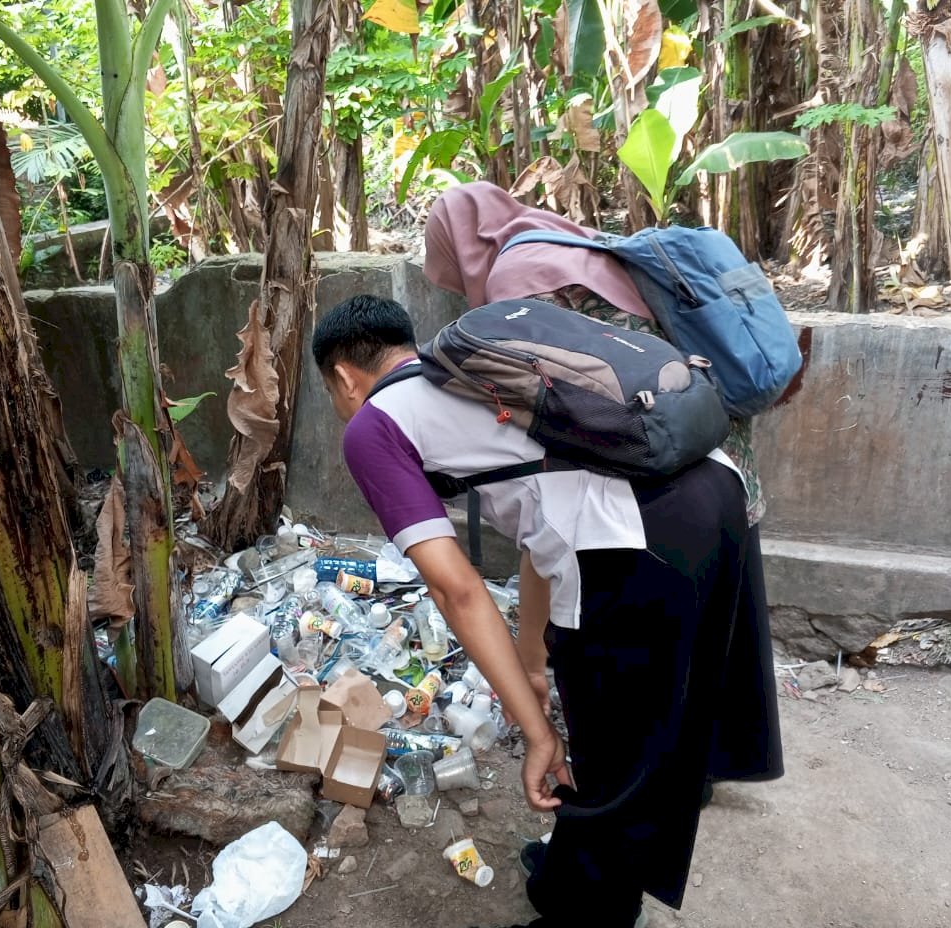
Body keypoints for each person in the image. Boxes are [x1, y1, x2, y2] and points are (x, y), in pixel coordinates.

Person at [312, 294, 759, 928]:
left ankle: (590, 914)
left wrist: (537, 734)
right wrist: (532, 663)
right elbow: (536, 522)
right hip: (713, 488)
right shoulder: (474, 376)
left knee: (612, 744)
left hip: (636, 536)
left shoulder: (372, 426)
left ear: (343, 377)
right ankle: (568, 874)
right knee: (641, 713)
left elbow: (455, 589)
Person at [424, 181, 783, 790]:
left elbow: (554, 485)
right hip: (713, 443)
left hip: (657, 462)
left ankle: (653, 788)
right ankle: (709, 767)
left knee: (645, 639)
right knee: (719, 615)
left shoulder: (517, 278)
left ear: (462, 246)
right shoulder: (562, 241)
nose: (464, 291)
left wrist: (531, 658)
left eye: (456, 276)